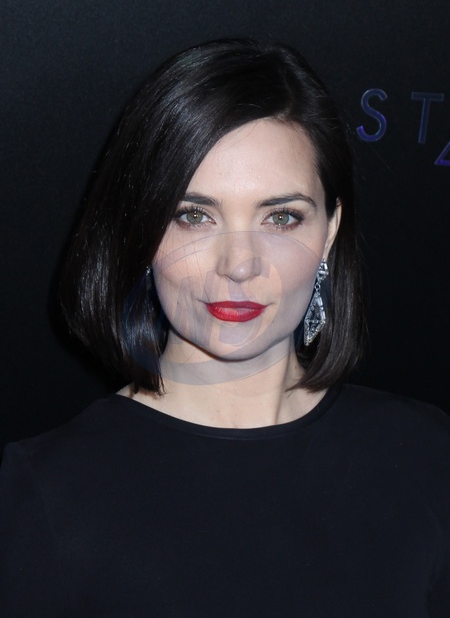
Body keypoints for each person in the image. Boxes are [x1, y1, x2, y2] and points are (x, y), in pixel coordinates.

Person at [1, 38, 449, 617]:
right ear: (141, 231)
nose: (239, 265)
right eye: (194, 216)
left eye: (281, 217)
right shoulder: (42, 494)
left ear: (329, 234)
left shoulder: (428, 456)